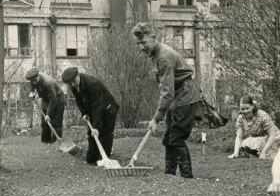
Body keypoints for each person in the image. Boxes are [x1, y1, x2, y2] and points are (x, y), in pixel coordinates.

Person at [132, 22, 200, 178]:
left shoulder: (163, 57)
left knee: (176, 138)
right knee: (169, 138)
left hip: (184, 96)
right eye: (138, 44)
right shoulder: (156, 54)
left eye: (143, 42)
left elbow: (167, 92)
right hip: (177, 97)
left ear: (153, 37)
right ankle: (169, 175)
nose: (141, 47)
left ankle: (187, 177)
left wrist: (156, 118)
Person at [61, 67, 119, 165]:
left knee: (105, 133)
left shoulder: (93, 84)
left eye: (73, 81)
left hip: (108, 109)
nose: (72, 84)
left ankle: (106, 158)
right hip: (94, 109)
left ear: (78, 75)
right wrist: (84, 113)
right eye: (69, 83)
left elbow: (97, 106)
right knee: (92, 135)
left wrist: (95, 127)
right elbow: (79, 100)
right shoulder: (74, 86)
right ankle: (93, 159)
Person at [228, 95, 280, 160]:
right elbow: (239, 137)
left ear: (252, 106)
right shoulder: (241, 118)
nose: (245, 111)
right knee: (245, 143)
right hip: (259, 141)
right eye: (242, 109)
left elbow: (272, 135)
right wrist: (236, 153)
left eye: (247, 108)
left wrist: (264, 152)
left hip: (273, 140)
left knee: (252, 142)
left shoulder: (262, 115)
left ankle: (266, 153)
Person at [25, 68, 65, 143]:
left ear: (38, 76)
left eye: (34, 80)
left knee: (56, 122)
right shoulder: (33, 80)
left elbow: (53, 101)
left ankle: (57, 142)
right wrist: (32, 92)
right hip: (45, 99)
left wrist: (48, 114)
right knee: (44, 123)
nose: (33, 83)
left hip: (57, 99)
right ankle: (45, 142)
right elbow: (32, 84)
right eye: (31, 81)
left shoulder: (48, 83)